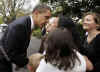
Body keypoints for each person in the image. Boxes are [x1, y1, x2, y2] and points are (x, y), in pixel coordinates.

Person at [0, 4, 51, 72]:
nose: (48, 21)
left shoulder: (28, 24)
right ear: (36, 14)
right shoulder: (20, 26)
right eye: (46, 17)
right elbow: (11, 52)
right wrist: (29, 62)